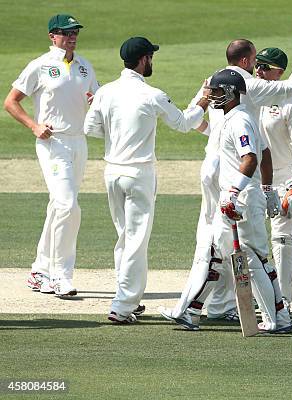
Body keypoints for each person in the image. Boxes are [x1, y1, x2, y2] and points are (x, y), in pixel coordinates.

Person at [158, 24, 292, 330]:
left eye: (214, 92)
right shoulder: (238, 117)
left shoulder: (240, 120)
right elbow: (263, 152)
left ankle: (278, 317)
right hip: (238, 195)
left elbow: (253, 157)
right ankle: (192, 311)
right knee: (217, 252)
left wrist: (238, 192)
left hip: (238, 198)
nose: (209, 95)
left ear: (229, 93)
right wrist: (266, 191)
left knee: (254, 259)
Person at [83, 37, 208, 324]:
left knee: (125, 237)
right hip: (138, 175)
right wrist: (203, 98)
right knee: (136, 240)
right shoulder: (152, 94)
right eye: (151, 56)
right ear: (143, 60)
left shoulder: (105, 92)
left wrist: (118, 132)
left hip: (112, 172)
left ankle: (127, 297)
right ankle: (122, 306)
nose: (152, 60)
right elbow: (184, 123)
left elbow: (90, 128)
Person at [4, 14, 99, 297]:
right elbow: (10, 102)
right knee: (68, 206)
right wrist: (34, 126)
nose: (71, 37)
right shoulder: (40, 65)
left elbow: (96, 99)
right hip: (52, 143)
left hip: (78, 143)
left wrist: (96, 103)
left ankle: (39, 270)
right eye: (65, 32)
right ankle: (60, 275)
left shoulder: (84, 66)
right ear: (52, 36)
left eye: (74, 32)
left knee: (59, 206)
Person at [255, 47, 292, 310]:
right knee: (250, 238)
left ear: (279, 72)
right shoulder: (254, 94)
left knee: (282, 238)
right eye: (257, 65)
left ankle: (284, 300)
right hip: (255, 179)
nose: (258, 71)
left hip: (284, 179)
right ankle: (254, 296)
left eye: (265, 67)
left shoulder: (291, 102)